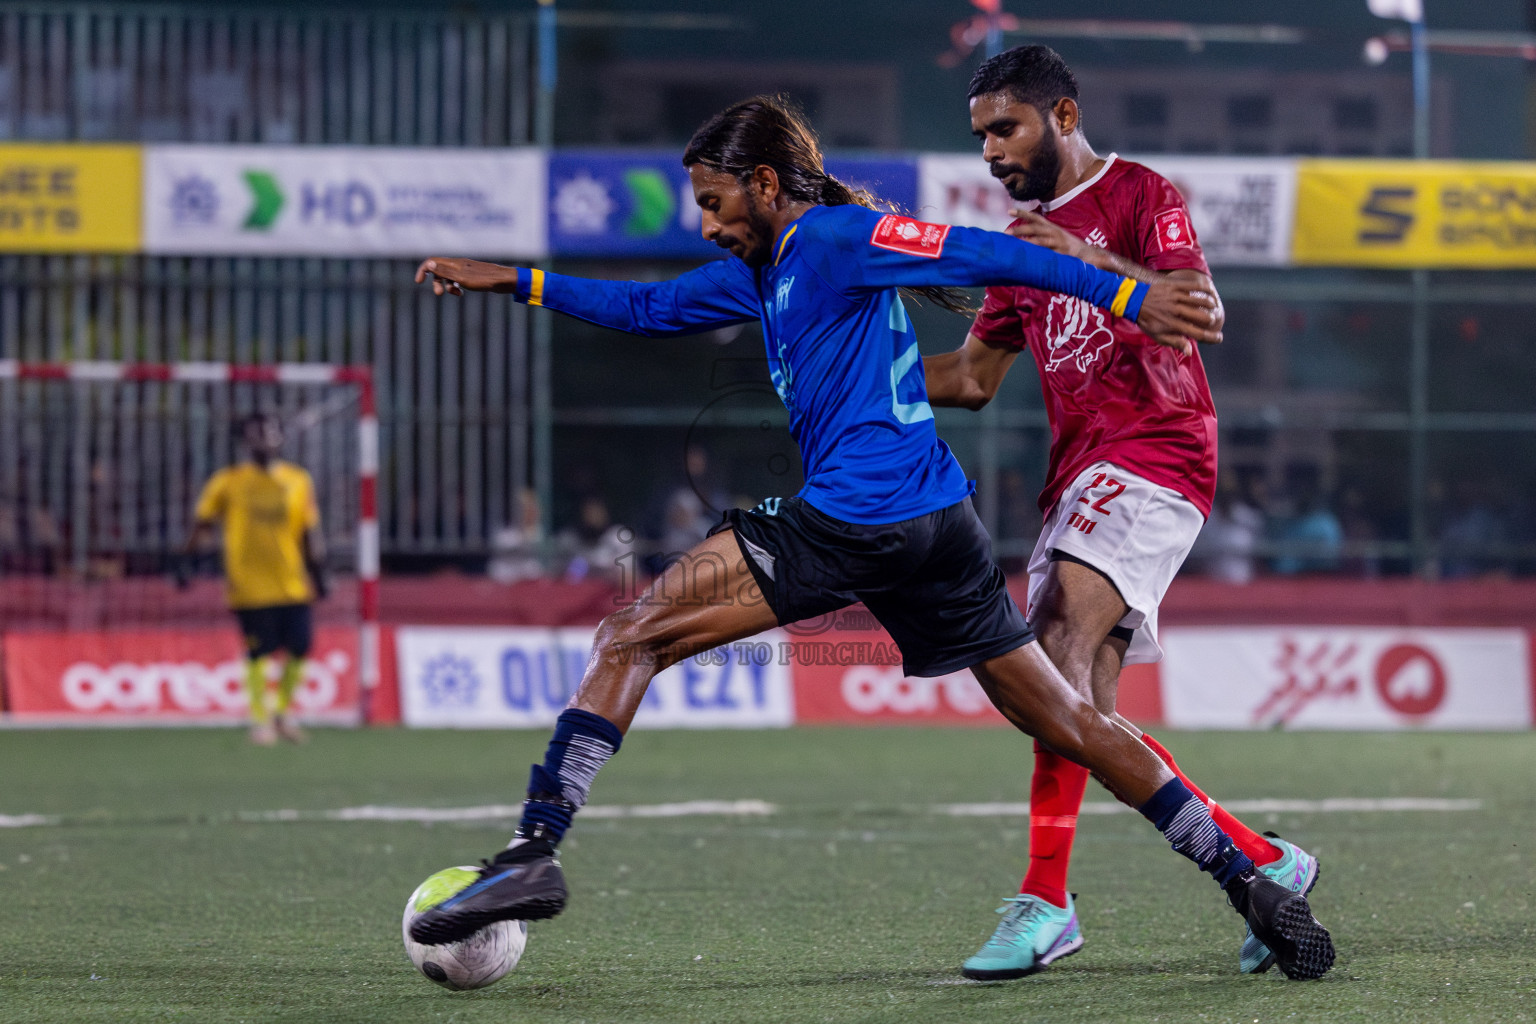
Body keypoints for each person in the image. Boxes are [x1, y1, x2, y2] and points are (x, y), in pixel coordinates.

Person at [407, 95, 1332, 980]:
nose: (706, 223)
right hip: (939, 529)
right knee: (1071, 721)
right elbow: (646, 311)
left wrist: (1130, 299)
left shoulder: (841, 238)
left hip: (858, 518)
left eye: (715, 201)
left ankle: (533, 849)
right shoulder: (758, 271)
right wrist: (515, 280)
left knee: (629, 634)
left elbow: (984, 254)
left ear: (767, 183)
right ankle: (1244, 877)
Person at [922, 45, 1319, 979]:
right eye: (979, 136)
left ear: (1063, 115)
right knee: (1075, 714)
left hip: (1157, 448)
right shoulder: (1016, 245)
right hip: (1078, 476)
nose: (989, 152)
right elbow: (974, 381)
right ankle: (1266, 862)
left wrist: (1088, 257)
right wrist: (858, 374)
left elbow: (1201, 314)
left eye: (1004, 128)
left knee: (1050, 642)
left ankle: (1046, 901)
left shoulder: (1140, 192)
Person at [184, 412, 327, 745]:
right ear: (245, 441)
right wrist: (184, 561)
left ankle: (282, 711)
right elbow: (202, 524)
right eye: (256, 433)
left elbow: (309, 530)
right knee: (259, 651)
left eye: (271, 431)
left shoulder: (298, 479)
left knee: (301, 647)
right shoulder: (228, 481)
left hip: (292, 581)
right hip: (249, 584)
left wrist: (320, 570)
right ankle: (260, 719)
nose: (265, 438)